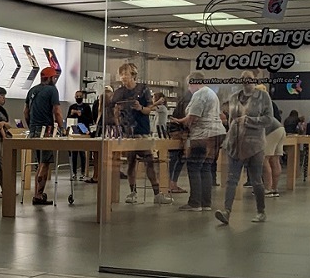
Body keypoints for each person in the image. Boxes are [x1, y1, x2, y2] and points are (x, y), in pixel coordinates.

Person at [108, 63, 172, 206]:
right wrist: (117, 118)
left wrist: (140, 107)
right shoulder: (119, 92)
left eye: (126, 74)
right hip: (127, 132)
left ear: (133, 75)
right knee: (131, 161)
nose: (123, 77)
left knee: (149, 160)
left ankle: (157, 194)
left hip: (141, 131)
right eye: (121, 74)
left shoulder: (143, 89)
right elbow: (113, 110)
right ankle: (133, 192)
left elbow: (149, 109)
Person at [215, 70, 272, 225]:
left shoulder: (263, 97)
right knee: (231, 179)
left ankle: (261, 211)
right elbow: (232, 120)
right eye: (242, 78)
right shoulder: (234, 97)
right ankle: (226, 211)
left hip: (255, 144)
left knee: (256, 180)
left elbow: (268, 119)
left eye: (249, 78)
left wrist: (249, 120)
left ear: (255, 80)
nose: (245, 81)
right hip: (235, 143)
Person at [172, 73, 224, 212]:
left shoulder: (199, 94)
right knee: (205, 167)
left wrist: (178, 121)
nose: (188, 88)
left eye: (189, 84)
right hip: (216, 133)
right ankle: (206, 203)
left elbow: (193, 117)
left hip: (203, 135)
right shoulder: (211, 93)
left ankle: (195, 203)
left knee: (194, 167)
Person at [24, 67, 62, 206]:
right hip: (46, 131)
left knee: (39, 163)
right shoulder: (52, 90)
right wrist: (62, 127)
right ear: (51, 78)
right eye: (55, 77)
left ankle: (37, 194)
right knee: (44, 163)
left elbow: (26, 112)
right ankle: (38, 196)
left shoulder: (32, 90)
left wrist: (31, 127)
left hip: (34, 131)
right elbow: (57, 111)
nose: (55, 80)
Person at [66, 90, 93, 179]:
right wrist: (71, 114)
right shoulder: (72, 107)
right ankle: (74, 172)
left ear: (83, 97)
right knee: (74, 152)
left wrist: (81, 115)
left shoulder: (86, 107)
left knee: (82, 153)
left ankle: (83, 172)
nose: (78, 98)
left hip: (83, 131)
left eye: (80, 96)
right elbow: (68, 119)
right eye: (77, 96)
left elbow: (90, 119)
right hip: (74, 131)